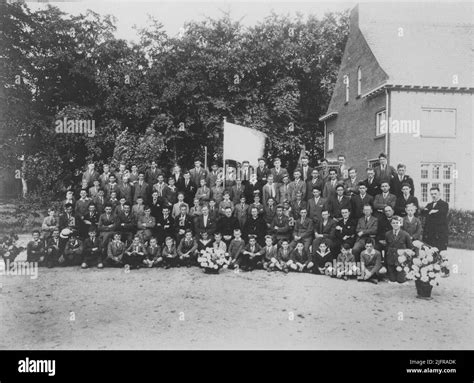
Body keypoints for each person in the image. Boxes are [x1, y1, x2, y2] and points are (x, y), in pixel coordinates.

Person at [385, 216, 412, 283]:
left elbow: (410, 248)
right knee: (392, 279)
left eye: (397, 223)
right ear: (391, 224)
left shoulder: (405, 234)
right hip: (391, 260)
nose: (395, 224)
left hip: (401, 261)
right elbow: (387, 246)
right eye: (393, 223)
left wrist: (406, 260)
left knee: (401, 280)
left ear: (401, 224)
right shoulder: (387, 234)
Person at [421, 187, 449, 251]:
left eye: (435, 194)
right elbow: (423, 212)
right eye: (432, 194)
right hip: (429, 232)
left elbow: (442, 213)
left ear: (439, 194)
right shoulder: (429, 204)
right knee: (428, 252)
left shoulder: (444, 204)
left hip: (439, 233)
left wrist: (430, 212)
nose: (433, 195)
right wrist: (433, 211)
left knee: (439, 252)